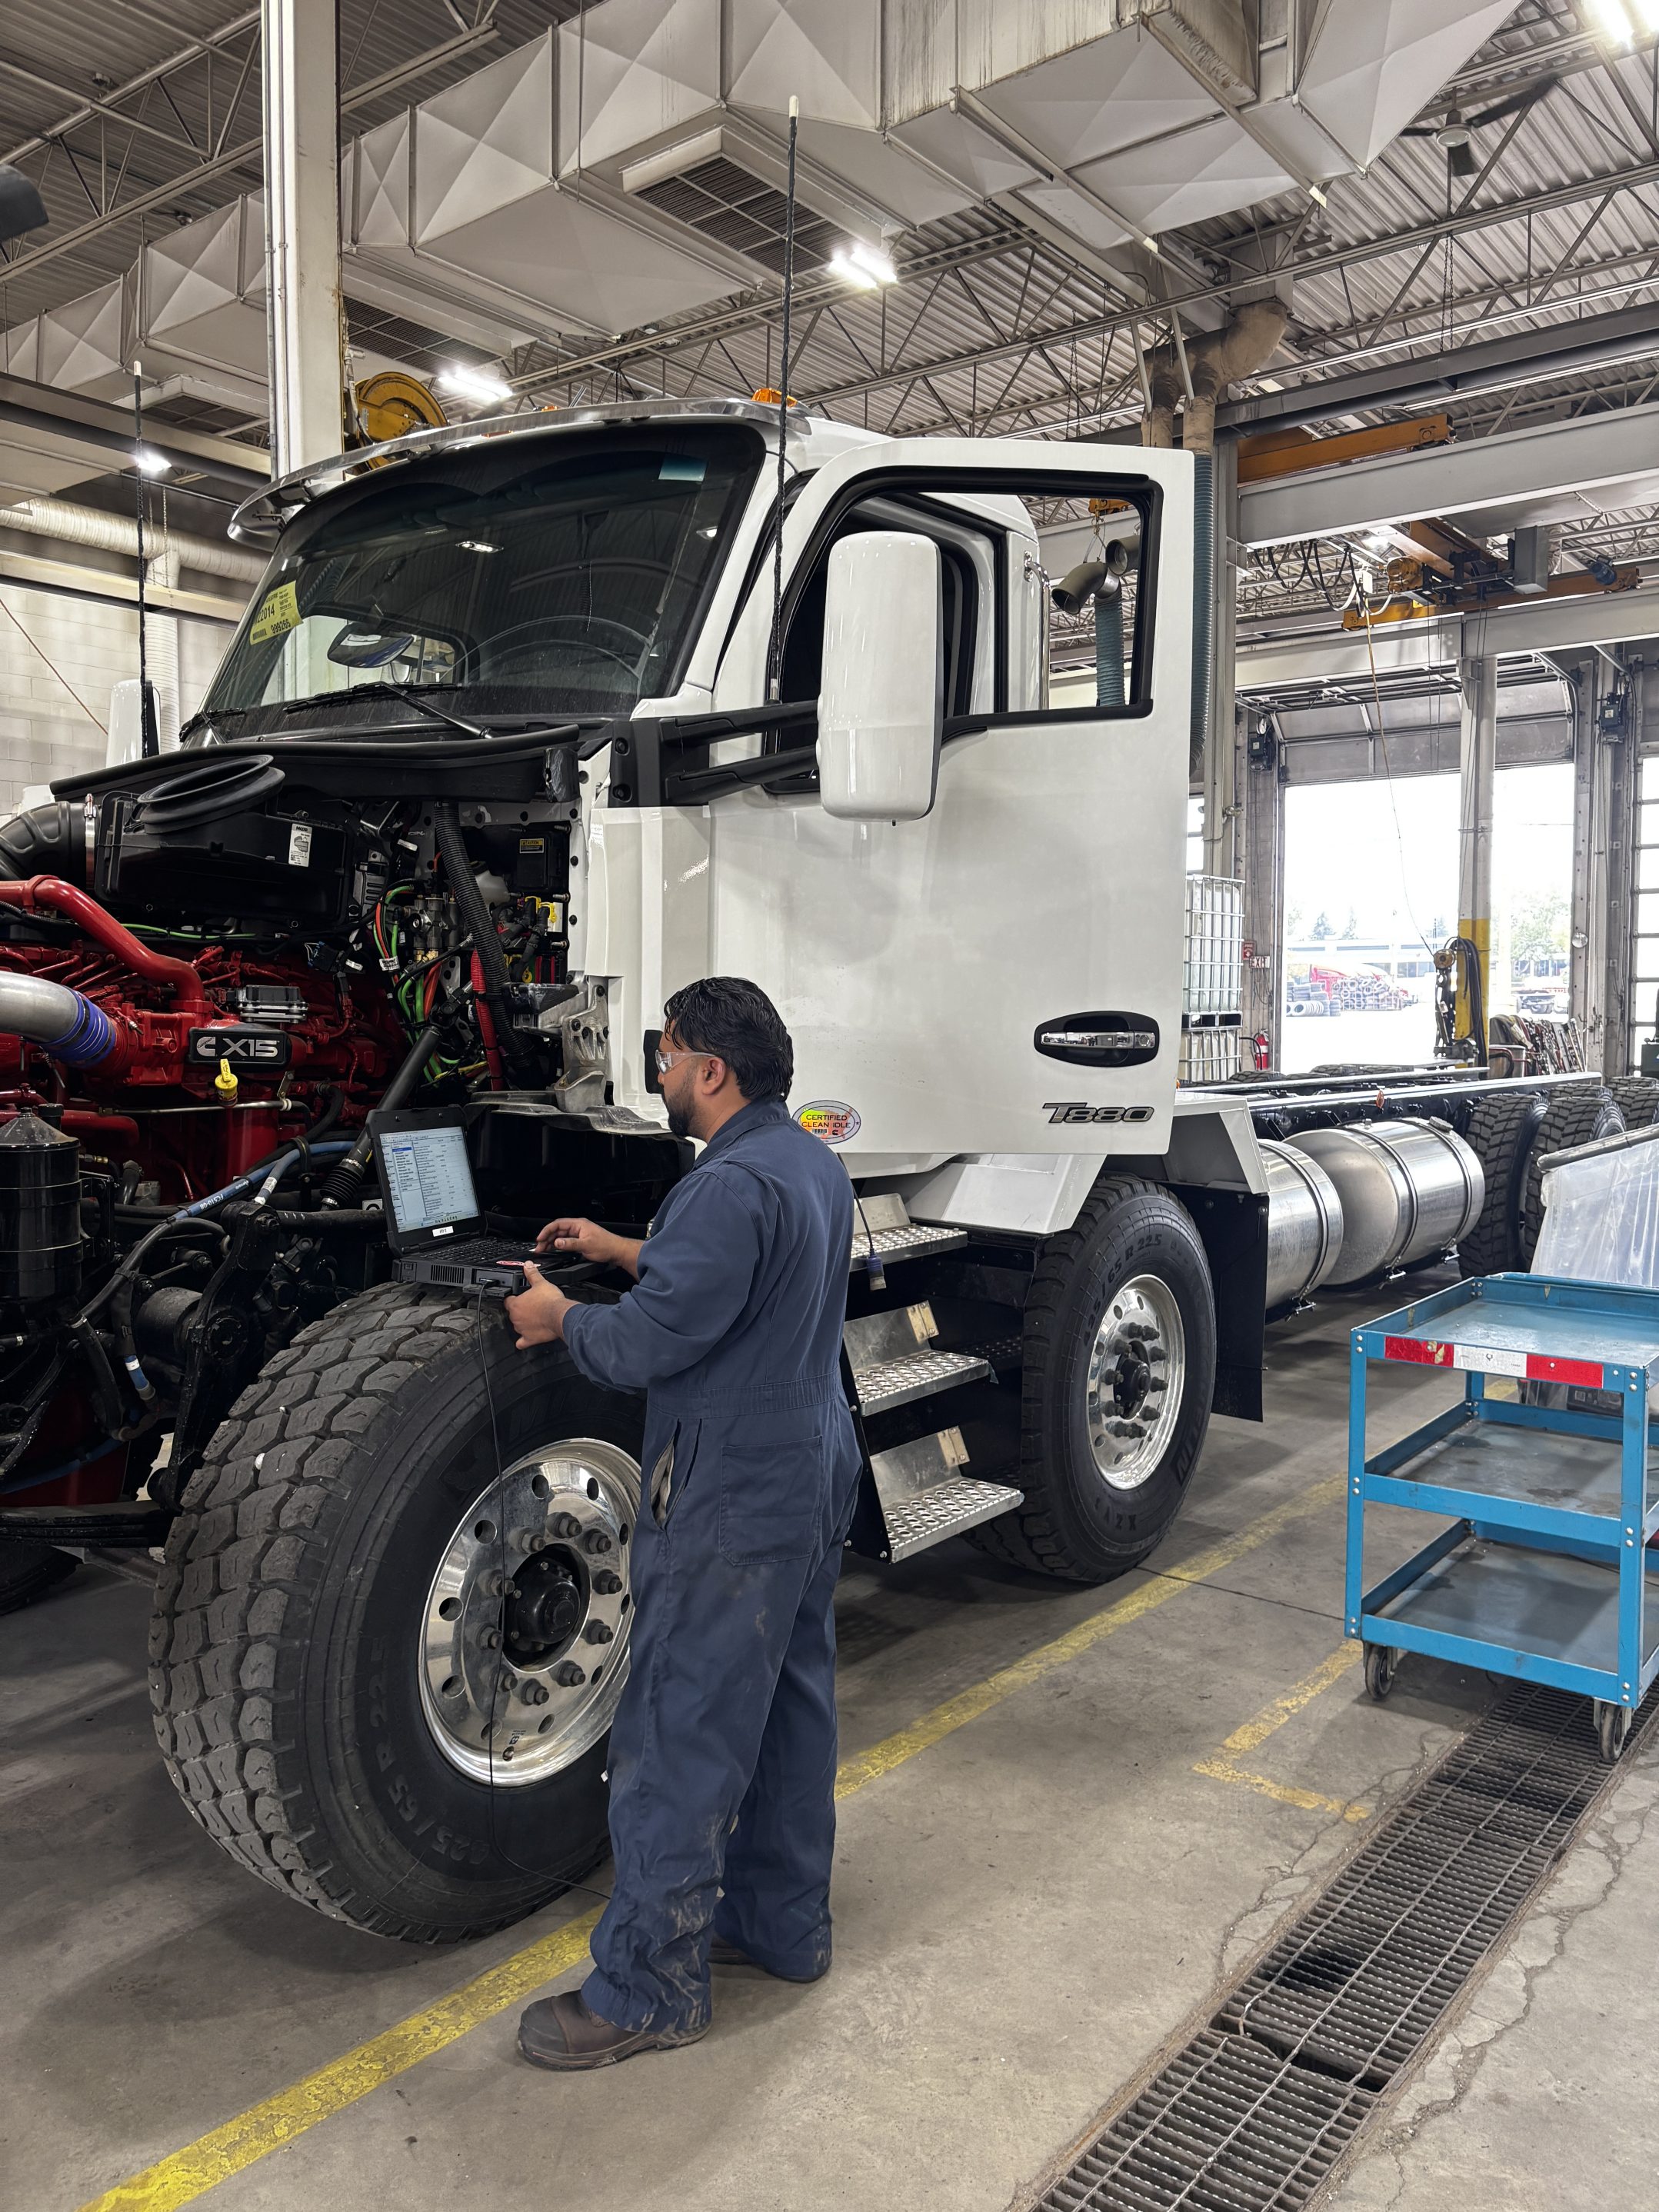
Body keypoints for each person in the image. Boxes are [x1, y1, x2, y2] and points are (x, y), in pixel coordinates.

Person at [503, 975, 860, 2071]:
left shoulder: (722, 1185)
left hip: (729, 1487)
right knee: (790, 1706)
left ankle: (647, 1989)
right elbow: (736, 1283)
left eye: (665, 1058)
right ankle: (780, 1927)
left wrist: (562, 1315)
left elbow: (652, 1347)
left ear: (709, 1068)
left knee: (679, 1726)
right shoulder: (804, 1160)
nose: (658, 1076)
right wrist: (626, 1251)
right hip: (810, 1460)